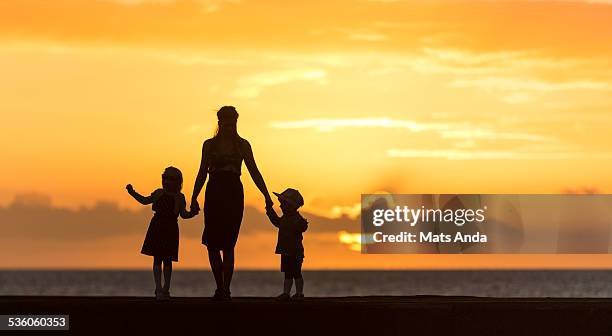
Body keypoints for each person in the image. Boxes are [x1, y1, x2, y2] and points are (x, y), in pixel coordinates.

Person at [190, 106, 273, 301]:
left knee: (228, 245)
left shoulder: (243, 145)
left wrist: (267, 196)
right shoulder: (208, 145)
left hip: (233, 192)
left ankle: (226, 289)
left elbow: (254, 171)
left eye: (233, 123)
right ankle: (219, 287)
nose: (230, 127)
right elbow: (202, 171)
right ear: (219, 123)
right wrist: (193, 197)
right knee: (211, 244)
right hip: (214, 191)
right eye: (226, 123)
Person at [126, 166, 198, 301]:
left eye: (169, 178)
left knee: (168, 260)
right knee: (157, 259)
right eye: (164, 177)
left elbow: (183, 214)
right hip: (157, 226)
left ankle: (166, 288)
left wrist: (193, 213)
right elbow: (144, 200)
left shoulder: (180, 197)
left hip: (170, 228)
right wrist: (132, 192)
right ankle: (158, 288)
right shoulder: (159, 193)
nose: (166, 181)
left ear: (177, 182)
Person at [266, 188, 308, 301]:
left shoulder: (296, 219)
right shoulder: (285, 219)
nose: (280, 206)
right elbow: (276, 221)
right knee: (288, 274)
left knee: (296, 273)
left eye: (283, 204)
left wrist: (302, 224)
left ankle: (299, 293)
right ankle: (286, 293)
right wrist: (269, 210)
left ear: (290, 206)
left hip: (295, 252)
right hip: (285, 251)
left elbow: (303, 226)